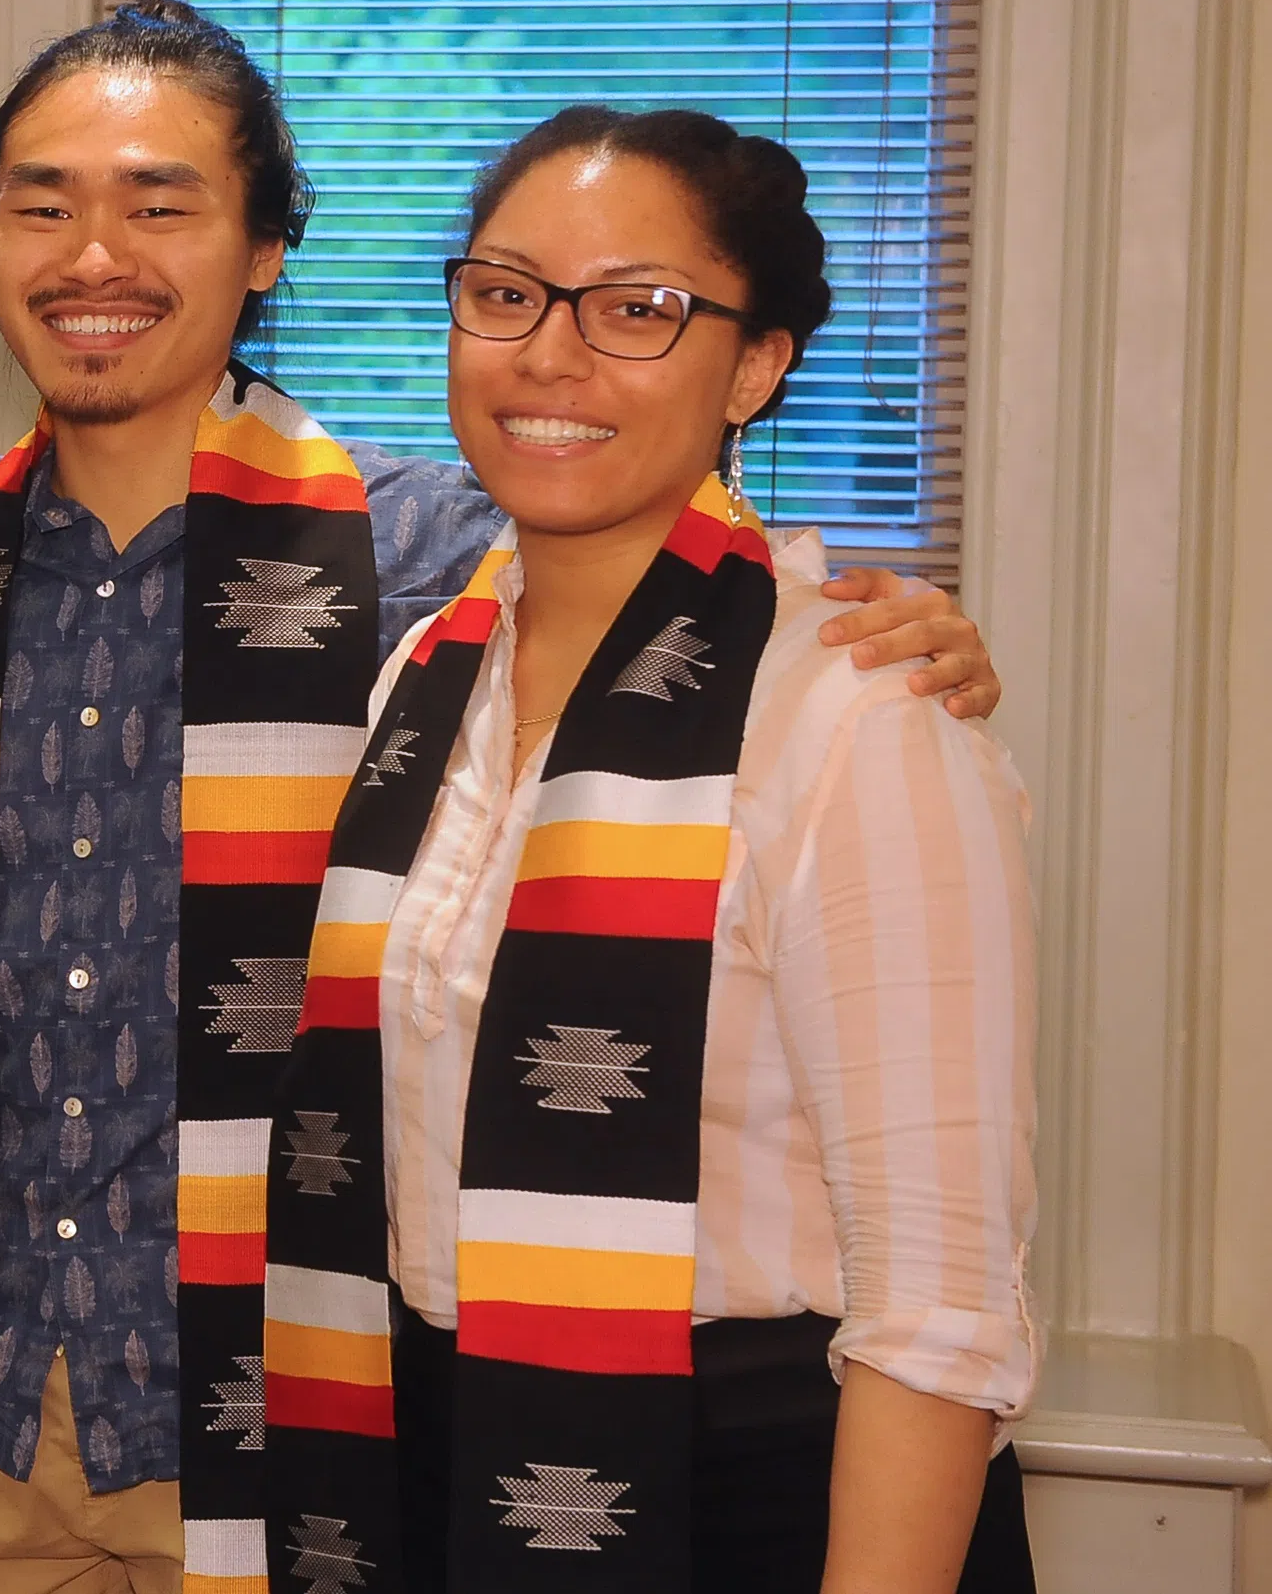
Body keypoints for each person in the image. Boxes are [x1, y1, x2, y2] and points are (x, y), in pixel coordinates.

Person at [0, 1, 1004, 1594]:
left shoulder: (416, 563)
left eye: (162, 203)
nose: (92, 254)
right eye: (40, 202)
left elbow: (642, 522)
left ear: (270, 247)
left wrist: (908, 634)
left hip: (296, 1428)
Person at [260, 106, 1037, 1591]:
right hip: (440, 1472)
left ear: (757, 362)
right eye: (505, 294)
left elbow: (941, 1304)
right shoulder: (429, 674)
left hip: (757, 1508)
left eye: (639, 311)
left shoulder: (859, 718)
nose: (550, 356)